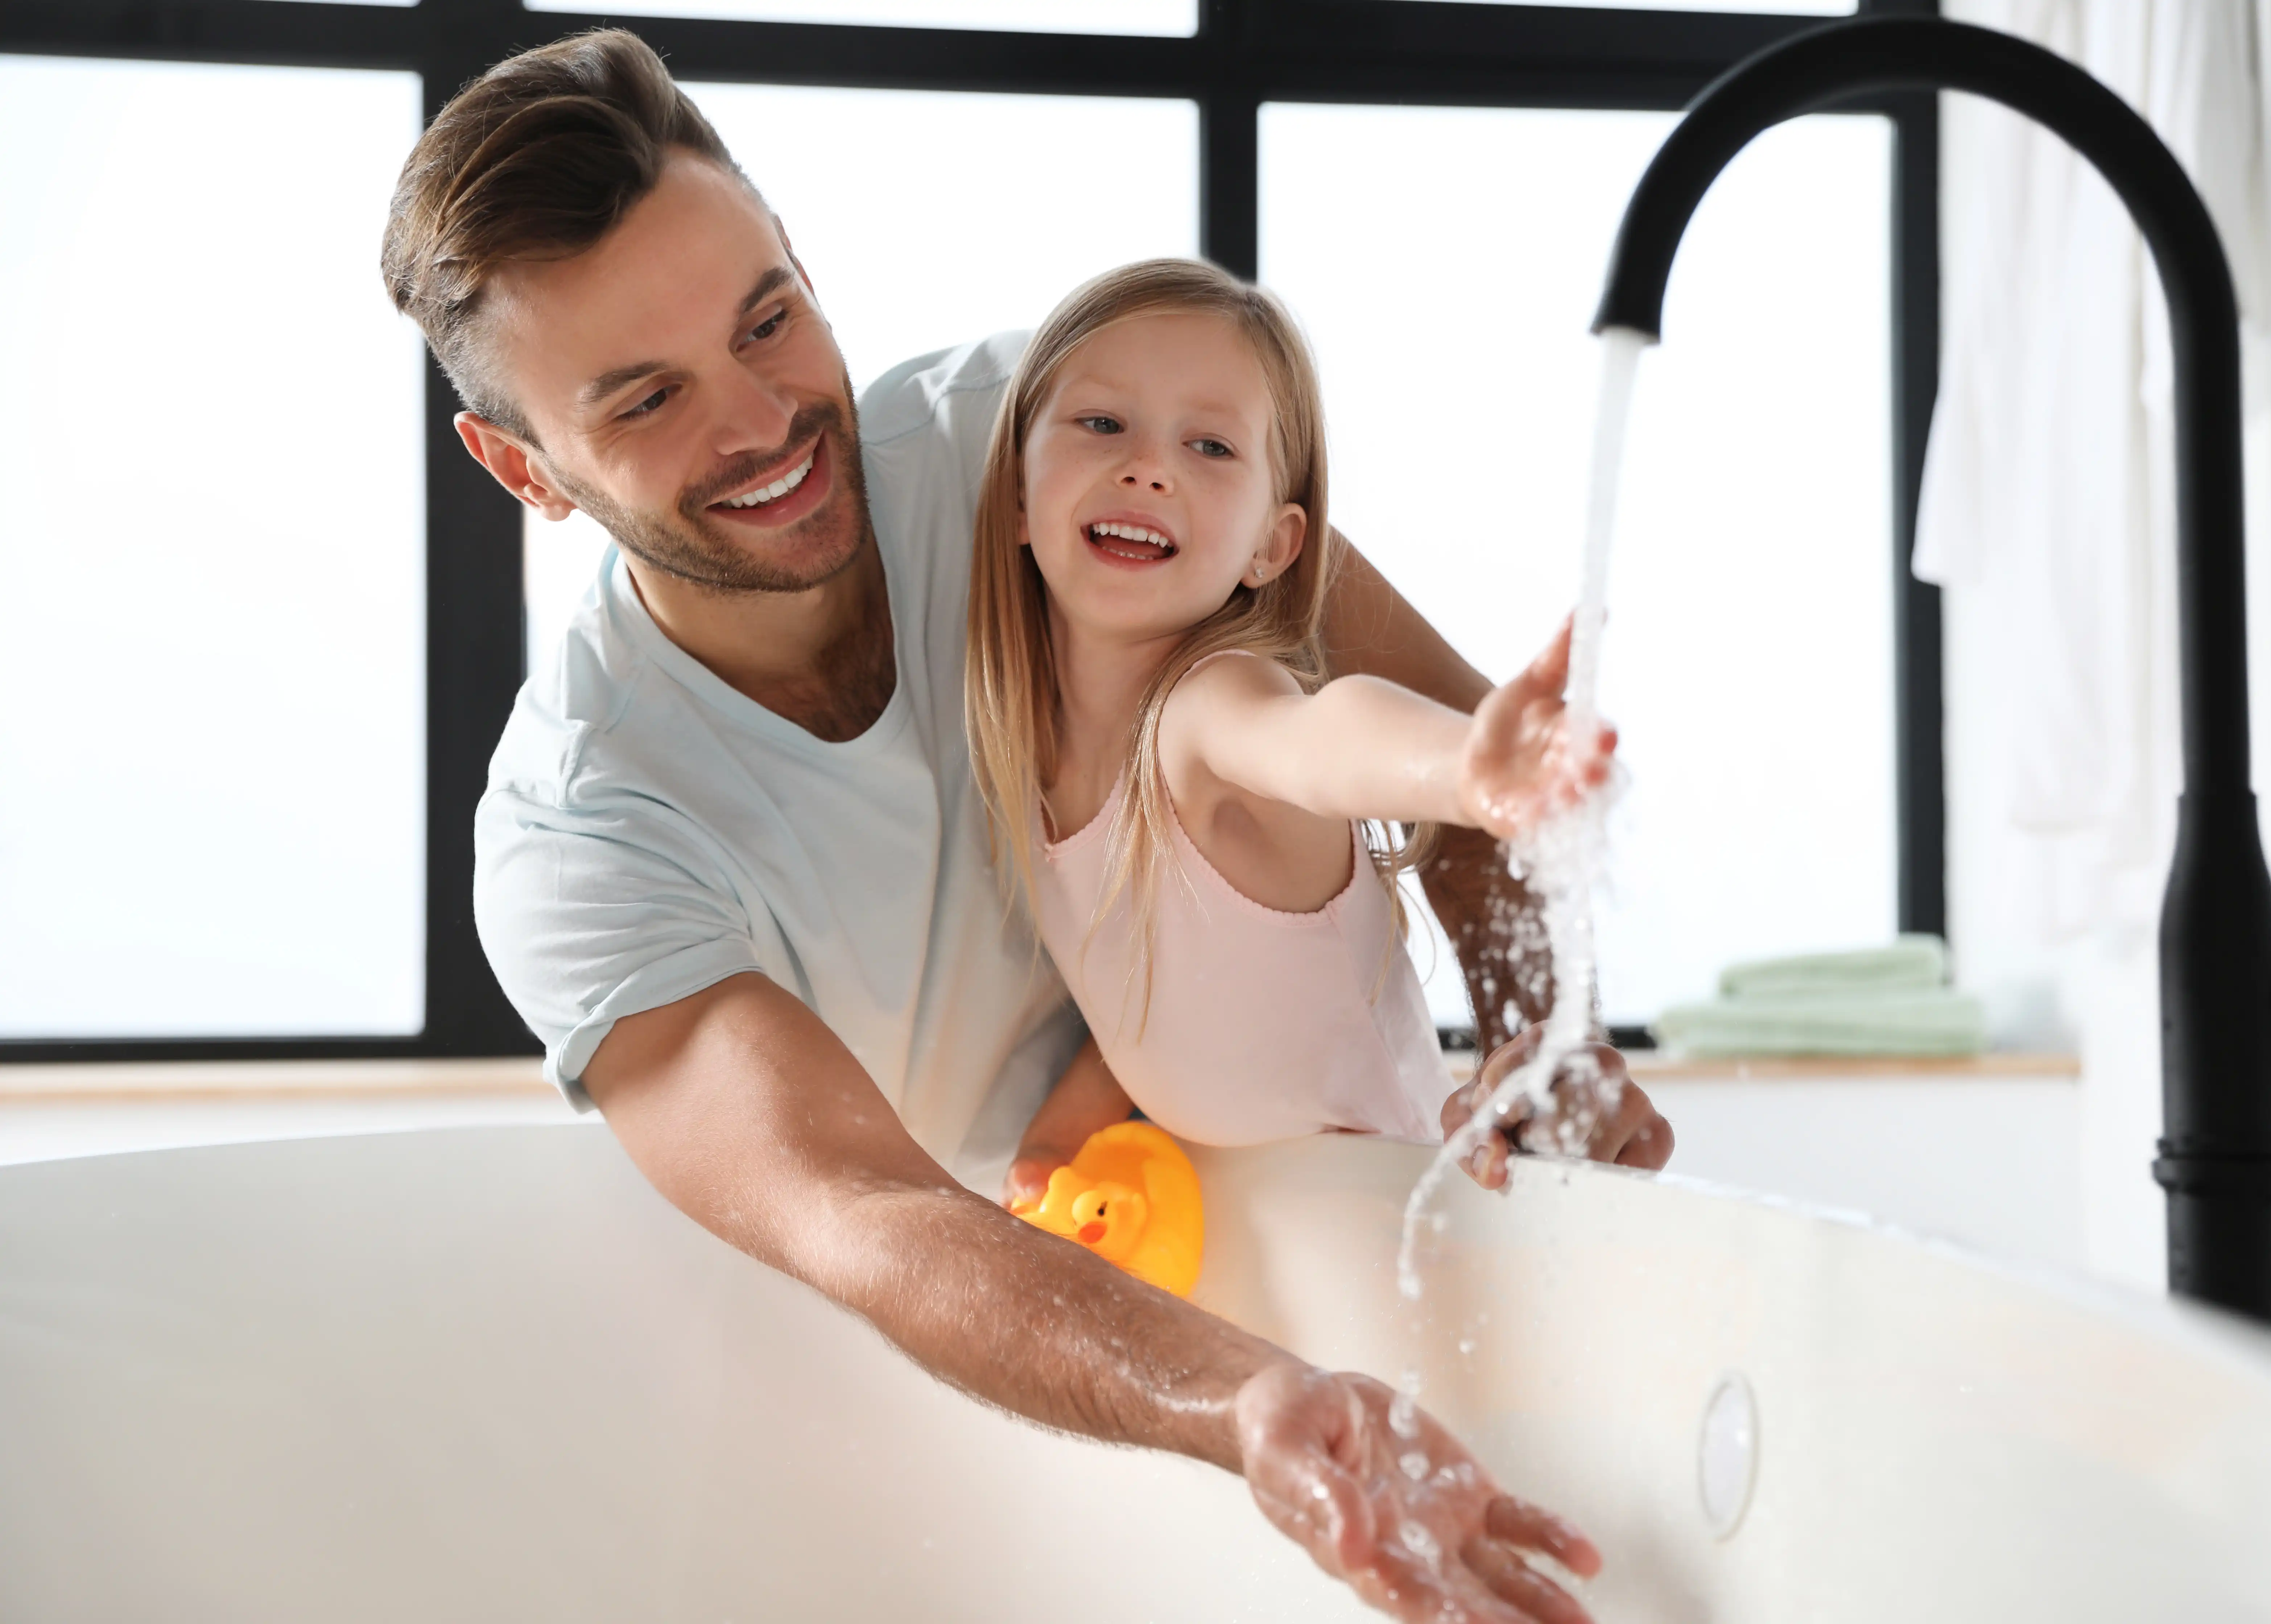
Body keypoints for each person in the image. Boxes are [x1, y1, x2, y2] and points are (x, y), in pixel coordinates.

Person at [381, 29, 1673, 1623]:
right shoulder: (587, 841)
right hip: (1063, 1324)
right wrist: (1248, 1402)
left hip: (1331, 1189)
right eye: (649, 400)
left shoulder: (1049, 438)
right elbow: (866, 1209)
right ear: (525, 467)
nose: (768, 420)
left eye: (769, 319)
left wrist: (1543, 1050)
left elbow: (1455, 763)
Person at [972, 260, 1625, 1210]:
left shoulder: (1206, 709)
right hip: (1275, 1224)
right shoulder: (1036, 750)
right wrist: (1059, 1139)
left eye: (1210, 447)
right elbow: (1145, 984)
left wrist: (1459, 765)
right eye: (1103, 424)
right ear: (1018, 499)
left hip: (1405, 1221)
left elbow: (1318, 738)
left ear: (1272, 547)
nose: (1147, 465)